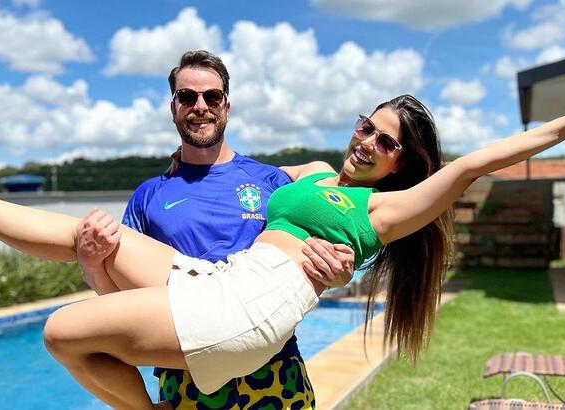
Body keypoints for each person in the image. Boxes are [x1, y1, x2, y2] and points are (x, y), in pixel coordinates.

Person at [0, 94, 565, 409]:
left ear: (404, 163)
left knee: (60, 330)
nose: (365, 141)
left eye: (384, 141)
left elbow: (480, 161)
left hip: (249, 310)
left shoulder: (385, 209)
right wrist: (179, 166)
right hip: (222, 279)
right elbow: (230, 172)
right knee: (92, 233)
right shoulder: (310, 174)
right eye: (366, 125)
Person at [73, 50, 355, 409]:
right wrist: (91, 263)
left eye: (212, 96)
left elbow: (317, 244)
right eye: (187, 96)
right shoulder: (149, 196)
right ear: (174, 107)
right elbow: (120, 302)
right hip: (185, 379)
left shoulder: (272, 182)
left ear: (227, 105)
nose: (200, 105)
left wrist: (339, 272)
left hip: (276, 372)